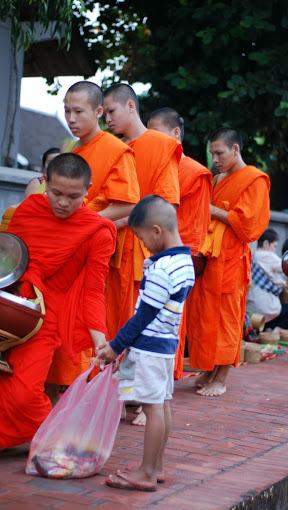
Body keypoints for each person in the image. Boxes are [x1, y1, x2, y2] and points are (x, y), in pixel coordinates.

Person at [0, 153, 116, 448]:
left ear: (88, 192)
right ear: (45, 184)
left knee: (24, 394)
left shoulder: (97, 231)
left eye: (73, 196)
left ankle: (52, 437)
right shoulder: (28, 210)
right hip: (9, 306)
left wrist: (100, 341)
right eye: (56, 193)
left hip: (44, 318)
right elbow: (7, 261)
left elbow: (93, 291)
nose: (63, 202)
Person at [95, 195, 195, 491]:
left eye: (140, 237)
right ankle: (157, 466)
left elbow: (143, 316)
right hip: (165, 346)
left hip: (150, 346)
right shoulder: (184, 262)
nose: (142, 244)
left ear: (156, 231)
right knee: (161, 404)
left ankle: (147, 472)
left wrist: (115, 345)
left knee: (151, 408)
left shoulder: (163, 270)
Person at [46, 81, 139, 389]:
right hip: (64, 251)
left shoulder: (115, 150)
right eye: (66, 110)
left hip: (93, 250)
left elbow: (127, 202)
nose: (71, 118)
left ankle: (87, 391)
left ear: (98, 112)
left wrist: (86, 224)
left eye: (78, 111)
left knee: (88, 323)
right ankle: (60, 393)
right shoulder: (72, 149)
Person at [103, 84, 182, 423]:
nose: (107, 120)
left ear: (130, 106)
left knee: (142, 322)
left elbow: (165, 203)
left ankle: (141, 401)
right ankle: (121, 397)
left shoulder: (162, 146)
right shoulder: (115, 149)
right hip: (114, 248)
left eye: (111, 112)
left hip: (143, 247)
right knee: (115, 320)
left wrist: (120, 223)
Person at [187, 128, 270, 396]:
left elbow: (247, 226)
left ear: (236, 149)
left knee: (227, 318)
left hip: (231, 258)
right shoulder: (219, 178)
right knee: (204, 315)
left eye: (220, 153)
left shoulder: (254, 179)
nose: (215, 159)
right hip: (209, 255)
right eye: (212, 153)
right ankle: (209, 368)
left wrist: (212, 210)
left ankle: (221, 378)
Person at [147, 107, 212, 378]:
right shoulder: (151, 161)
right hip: (145, 247)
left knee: (169, 318)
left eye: (157, 134)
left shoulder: (194, 172)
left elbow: (195, 224)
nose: (151, 141)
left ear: (175, 134)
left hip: (173, 254)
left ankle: (163, 378)